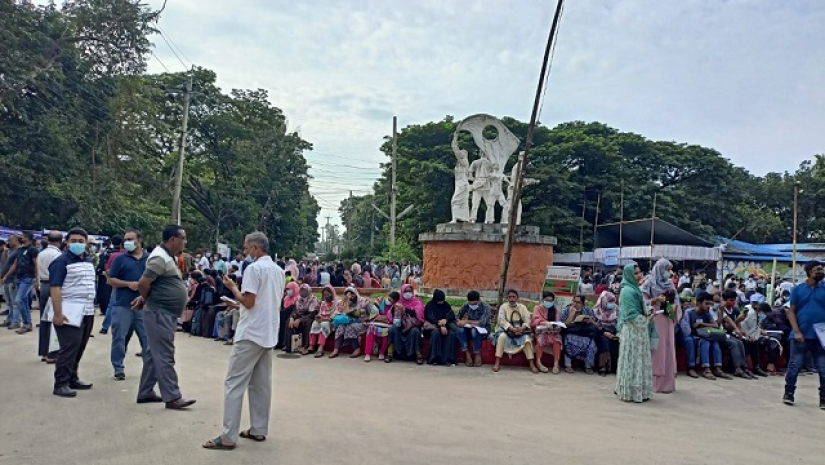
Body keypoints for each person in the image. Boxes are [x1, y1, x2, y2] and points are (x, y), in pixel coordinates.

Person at [203, 232, 284, 451]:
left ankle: (228, 436)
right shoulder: (278, 271)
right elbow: (263, 302)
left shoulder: (254, 269)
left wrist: (233, 289)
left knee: (234, 383)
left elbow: (248, 302)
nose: (245, 252)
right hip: (268, 332)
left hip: (251, 333)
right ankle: (258, 429)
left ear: (256, 248)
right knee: (261, 384)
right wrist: (238, 301)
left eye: (247, 248)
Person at [135, 225, 196, 410]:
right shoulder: (159, 258)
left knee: (154, 353)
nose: (185, 242)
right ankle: (172, 396)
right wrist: (145, 298)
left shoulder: (166, 257)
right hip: (159, 312)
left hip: (163, 312)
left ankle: (145, 392)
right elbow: (143, 283)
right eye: (183, 238)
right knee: (164, 354)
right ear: (172, 239)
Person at [48, 228, 96, 397]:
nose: (77, 244)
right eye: (73, 241)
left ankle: (72, 378)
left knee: (80, 346)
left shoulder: (89, 260)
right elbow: (55, 288)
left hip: (87, 310)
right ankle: (60, 383)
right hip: (69, 310)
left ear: (86, 243)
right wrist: (58, 313)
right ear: (66, 243)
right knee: (69, 347)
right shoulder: (61, 262)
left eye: (80, 241)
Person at [107, 230, 149, 381]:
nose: (127, 242)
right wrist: (127, 284)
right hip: (122, 304)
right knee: (119, 337)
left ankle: (149, 369)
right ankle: (118, 367)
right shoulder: (120, 259)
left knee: (147, 339)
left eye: (131, 239)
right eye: (126, 240)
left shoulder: (149, 259)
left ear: (140, 240)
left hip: (144, 306)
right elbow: (110, 280)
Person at [783, 260, 825, 408]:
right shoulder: (798, 290)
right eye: (818, 269)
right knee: (794, 366)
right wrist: (796, 331)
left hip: (821, 337)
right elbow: (791, 312)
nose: (821, 271)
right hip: (800, 335)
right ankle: (789, 393)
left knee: (823, 368)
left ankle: (823, 399)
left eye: (822, 269)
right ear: (809, 272)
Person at [642, 258, 681, 394]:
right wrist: (655, 300)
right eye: (666, 269)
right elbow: (642, 302)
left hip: (667, 317)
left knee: (668, 348)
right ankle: (654, 384)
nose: (668, 272)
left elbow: (676, 300)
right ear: (659, 269)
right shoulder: (648, 283)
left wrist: (674, 307)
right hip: (655, 318)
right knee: (656, 349)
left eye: (670, 269)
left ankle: (667, 384)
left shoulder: (670, 284)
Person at [615, 264, 653, 403]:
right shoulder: (627, 292)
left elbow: (639, 308)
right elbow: (630, 315)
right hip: (632, 330)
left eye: (639, 272)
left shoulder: (635, 289)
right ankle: (630, 392)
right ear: (629, 275)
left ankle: (640, 392)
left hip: (639, 332)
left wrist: (648, 311)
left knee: (638, 361)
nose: (639, 276)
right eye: (635, 273)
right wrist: (648, 318)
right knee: (633, 361)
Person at [491, 289, 537, 373]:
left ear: (517, 298)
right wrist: (511, 329)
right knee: (501, 337)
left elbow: (527, 319)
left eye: (513, 297)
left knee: (527, 340)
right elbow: (501, 320)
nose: (512, 299)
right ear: (507, 298)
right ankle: (497, 363)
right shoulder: (503, 306)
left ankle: (532, 364)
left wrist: (522, 328)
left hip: (521, 331)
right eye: (510, 297)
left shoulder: (522, 307)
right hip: (507, 330)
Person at [4, 230, 39, 334]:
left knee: (19, 300)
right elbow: (15, 265)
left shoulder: (33, 250)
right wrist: (6, 276)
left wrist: (37, 280)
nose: (20, 237)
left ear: (27, 238)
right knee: (21, 301)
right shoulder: (20, 250)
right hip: (19, 278)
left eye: (22, 236)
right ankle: (27, 323)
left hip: (28, 278)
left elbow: (36, 265)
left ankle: (26, 323)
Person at [689, 291, 728, 380]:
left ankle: (718, 368)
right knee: (705, 342)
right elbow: (688, 329)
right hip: (694, 336)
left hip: (705, 334)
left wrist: (702, 324)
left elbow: (715, 325)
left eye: (710, 304)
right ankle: (706, 369)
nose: (708, 306)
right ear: (698, 303)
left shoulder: (707, 313)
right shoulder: (690, 313)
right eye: (706, 303)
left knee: (715, 342)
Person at [37, 231, 63, 363]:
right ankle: (52, 353)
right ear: (60, 241)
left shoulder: (41, 253)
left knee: (43, 319)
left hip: (43, 285)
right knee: (54, 318)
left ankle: (43, 352)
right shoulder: (57, 255)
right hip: (54, 286)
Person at [560, 295, 598, 373]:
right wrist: (572, 313)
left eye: (578, 302)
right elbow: (564, 325)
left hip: (584, 332)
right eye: (574, 301)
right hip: (571, 332)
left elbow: (595, 324)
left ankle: (588, 365)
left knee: (591, 342)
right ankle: (568, 365)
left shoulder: (587, 310)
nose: (575, 304)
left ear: (582, 304)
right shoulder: (567, 309)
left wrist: (590, 321)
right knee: (568, 339)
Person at [329, 287, 370, 358]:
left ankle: (357, 349)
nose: (351, 296)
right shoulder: (345, 303)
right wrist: (347, 302)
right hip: (350, 322)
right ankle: (336, 350)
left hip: (363, 323)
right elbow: (345, 314)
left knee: (350, 327)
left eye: (352, 293)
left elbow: (372, 314)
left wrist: (365, 318)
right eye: (348, 294)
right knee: (341, 326)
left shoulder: (364, 301)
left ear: (356, 293)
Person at [390, 284, 425, 365]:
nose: (407, 293)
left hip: (413, 326)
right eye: (405, 291)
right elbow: (391, 315)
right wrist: (395, 309)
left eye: (409, 291)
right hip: (401, 325)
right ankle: (390, 353)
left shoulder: (417, 302)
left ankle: (418, 354)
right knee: (392, 329)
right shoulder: (398, 302)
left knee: (415, 331)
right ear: (402, 292)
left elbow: (418, 314)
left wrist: (405, 309)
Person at [531, 291, 563, 374]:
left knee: (557, 340)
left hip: (553, 332)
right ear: (543, 300)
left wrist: (558, 328)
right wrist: (544, 323)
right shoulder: (537, 308)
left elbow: (558, 322)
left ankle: (556, 364)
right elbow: (534, 321)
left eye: (551, 301)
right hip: (541, 331)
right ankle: (538, 362)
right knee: (541, 339)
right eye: (547, 300)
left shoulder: (555, 310)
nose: (549, 302)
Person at [456, 291, 490, 368]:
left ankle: (477, 354)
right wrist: (459, 322)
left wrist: (467, 321)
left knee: (474, 330)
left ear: (479, 300)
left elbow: (481, 323)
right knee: (459, 330)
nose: (472, 306)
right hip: (469, 328)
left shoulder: (485, 307)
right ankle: (467, 353)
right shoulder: (466, 305)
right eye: (471, 304)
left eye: (474, 304)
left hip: (482, 330)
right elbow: (457, 316)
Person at [425, 290, 458, 366]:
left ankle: (448, 359)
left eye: (442, 300)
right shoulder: (430, 305)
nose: (441, 302)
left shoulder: (446, 305)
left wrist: (446, 320)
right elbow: (429, 317)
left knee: (451, 334)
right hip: (432, 327)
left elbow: (451, 315)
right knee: (435, 333)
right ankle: (434, 359)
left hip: (445, 327)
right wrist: (439, 324)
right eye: (439, 301)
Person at [364, 291, 398, 362]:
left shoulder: (395, 306)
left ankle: (381, 352)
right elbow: (374, 315)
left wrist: (382, 317)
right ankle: (368, 353)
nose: (389, 301)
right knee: (371, 329)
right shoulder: (379, 300)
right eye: (389, 299)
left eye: (391, 301)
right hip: (375, 323)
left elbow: (393, 318)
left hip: (387, 325)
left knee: (387, 331)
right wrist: (385, 318)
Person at [592, 291, 620, 376]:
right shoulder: (596, 311)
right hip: (600, 332)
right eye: (609, 301)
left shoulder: (617, 309)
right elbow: (594, 325)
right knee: (604, 341)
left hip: (614, 332)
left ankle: (614, 367)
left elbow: (620, 323)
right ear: (603, 301)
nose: (611, 304)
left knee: (617, 343)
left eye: (613, 301)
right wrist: (604, 332)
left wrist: (617, 333)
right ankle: (603, 366)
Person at [288, 284, 318, 355]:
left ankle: (306, 347)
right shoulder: (298, 299)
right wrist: (292, 318)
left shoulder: (313, 299)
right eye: (301, 290)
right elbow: (295, 310)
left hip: (309, 317)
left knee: (308, 323)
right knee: (289, 321)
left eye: (304, 290)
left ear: (308, 290)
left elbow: (312, 314)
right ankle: (289, 345)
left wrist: (300, 320)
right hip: (299, 316)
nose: (302, 292)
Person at [310, 285, 338, 357]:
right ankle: (311, 345)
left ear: (332, 294)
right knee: (315, 323)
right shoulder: (323, 303)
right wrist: (318, 317)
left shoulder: (336, 303)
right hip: (322, 320)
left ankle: (321, 347)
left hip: (331, 322)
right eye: (325, 295)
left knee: (324, 324)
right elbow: (320, 313)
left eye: (328, 294)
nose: (326, 296)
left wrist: (324, 319)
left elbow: (334, 316)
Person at [0, 235, 19, 328]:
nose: (9, 242)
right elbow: (4, 264)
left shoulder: (19, 251)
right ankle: (9, 319)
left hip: (13, 279)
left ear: (16, 241)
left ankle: (16, 321)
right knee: (8, 302)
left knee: (15, 302)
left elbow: (15, 266)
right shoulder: (7, 252)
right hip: (6, 279)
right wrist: (5, 253)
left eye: (10, 240)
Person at [276, 281, 300, 351]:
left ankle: (283, 344)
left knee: (285, 319)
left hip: (294, 316)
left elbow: (295, 310)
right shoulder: (286, 298)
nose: (288, 291)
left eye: (289, 289)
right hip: (285, 315)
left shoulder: (298, 298)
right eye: (287, 290)